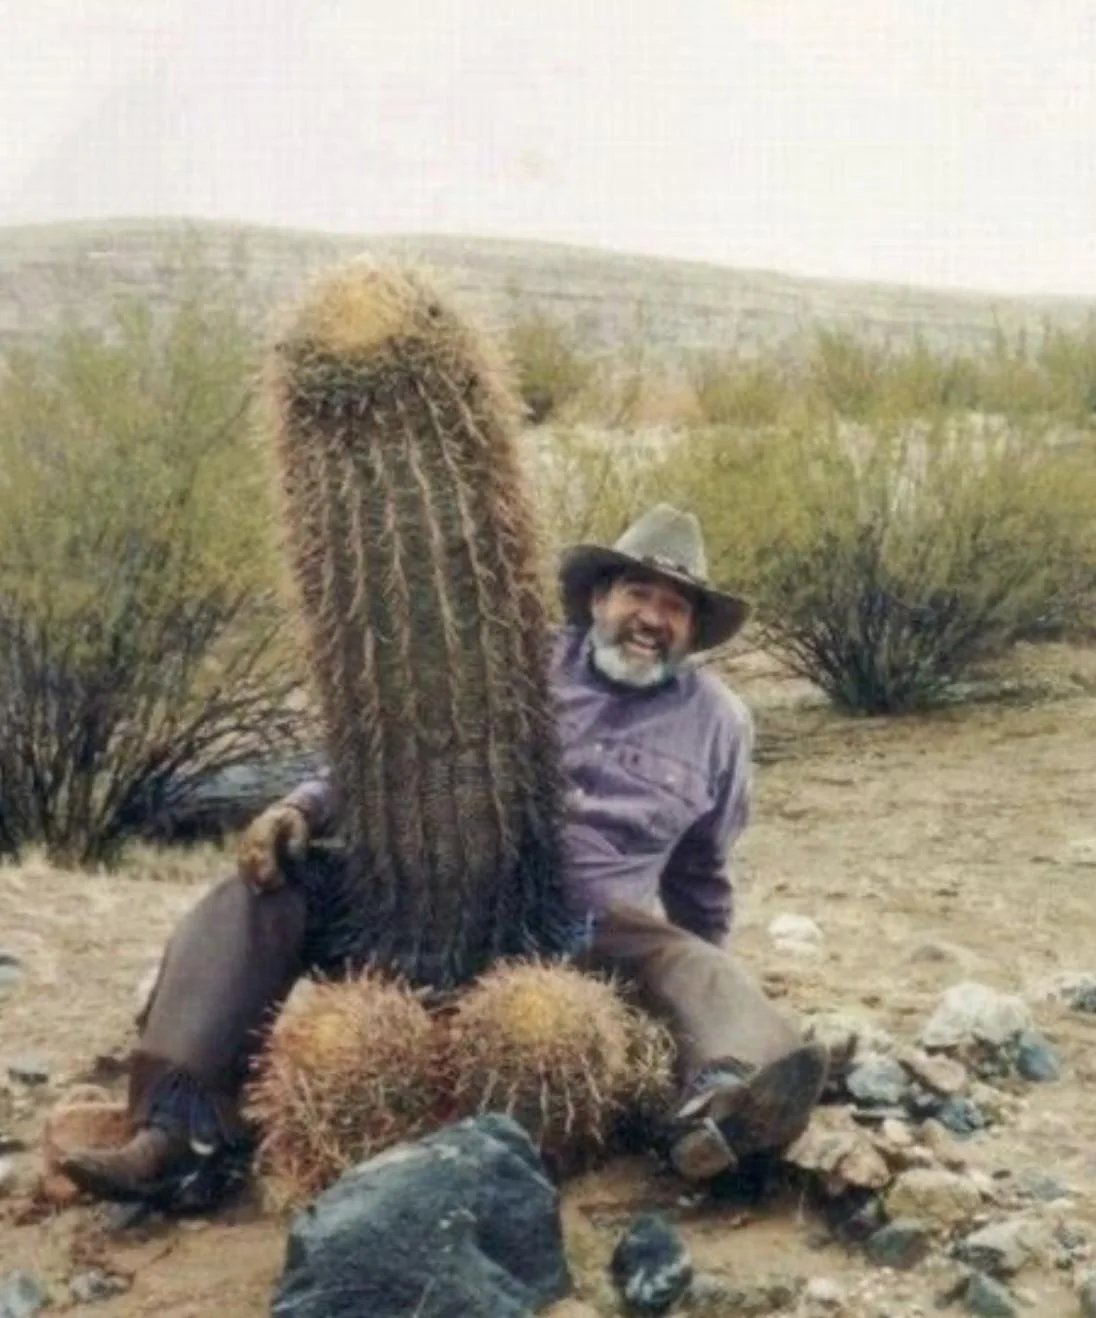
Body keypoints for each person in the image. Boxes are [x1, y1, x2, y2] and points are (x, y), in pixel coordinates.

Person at [59, 504, 827, 1204]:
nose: (653, 617)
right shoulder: (519, 663)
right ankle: (177, 1135)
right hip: (439, 888)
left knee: (695, 964)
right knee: (259, 893)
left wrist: (690, 997)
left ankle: (729, 1106)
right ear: (599, 598)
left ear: (694, 628)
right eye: (638, 593)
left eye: (676, 605)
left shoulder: (719, 722)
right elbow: (400, 745)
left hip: (585, 930)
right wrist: (302, 806)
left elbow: (702, 873)